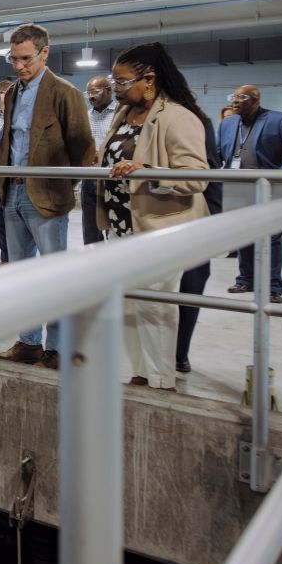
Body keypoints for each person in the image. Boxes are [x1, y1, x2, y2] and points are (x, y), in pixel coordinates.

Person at [98, 42, 210, 391]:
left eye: (122, 81)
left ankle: (162, 381)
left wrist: (147, 170)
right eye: (113, 82)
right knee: (130, 304)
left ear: (149, 80)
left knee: (155, 308)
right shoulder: (124, 115)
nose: (116, 88)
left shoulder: (178, 116)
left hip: (160, 228)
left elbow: (196, 175)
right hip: (121, 226)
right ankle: (140, 373)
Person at [0, 24, 94, 369]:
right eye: (14, 59)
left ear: (44, 53)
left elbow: (83, 147)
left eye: (26, 59)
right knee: (21, 275)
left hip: (47, 195)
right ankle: (29, 342)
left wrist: (64, 188)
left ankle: (58, 348)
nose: (19, 66)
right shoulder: (16, 94)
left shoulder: (65, 94)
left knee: (54, 276)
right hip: (13, 192)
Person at [218, 84, 282, 303]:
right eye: (232, 96)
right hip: (237, 186)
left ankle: (272, 286)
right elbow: (217, 153)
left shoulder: (279, 120)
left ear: (255, 99)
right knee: (243, 235)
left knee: (271, 237)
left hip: (268, 187)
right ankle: (245, 279)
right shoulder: (228, 123)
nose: (235, 101)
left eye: (240, 97)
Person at [175, 113, 222, 374]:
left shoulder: (196, 120)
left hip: (193, 216)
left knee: (191, 283)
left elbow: (210, 171)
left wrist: (213, 221)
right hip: (143, 222)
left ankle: (180, 352)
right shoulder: (129, 116)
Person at [83, 75, 118, 245]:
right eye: (88, 93)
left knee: (113, 226)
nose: (91, 96)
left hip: (112, 177)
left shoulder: (120, 114)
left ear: (109, 91)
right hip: (89, 178)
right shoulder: (85, 116)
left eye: (95, 92)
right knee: (90, 228)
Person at [0, 78, 14, 264]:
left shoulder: (14, 119)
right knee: (1, 223)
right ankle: (5, 259)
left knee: (11, 224)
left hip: (11, 179)